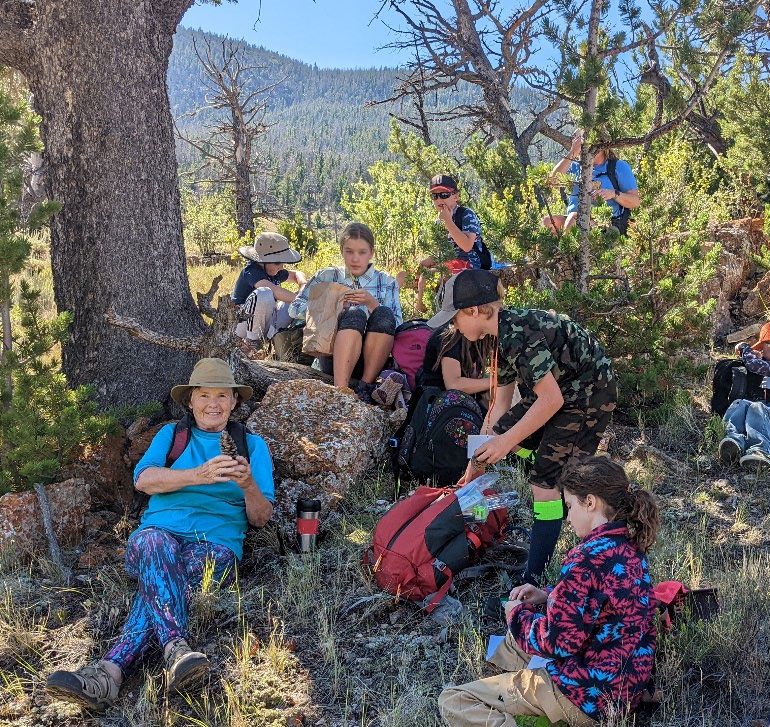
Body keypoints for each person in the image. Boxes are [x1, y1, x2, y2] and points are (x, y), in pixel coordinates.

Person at [46, 358, 275, 711]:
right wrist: (198, 475)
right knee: (154, 543)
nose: (213, 404)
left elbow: (261, 518)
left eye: (222, 396)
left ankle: (108, 673)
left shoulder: (253, 446)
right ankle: (175, 647)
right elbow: (144, 479)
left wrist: (247, 485)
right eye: (204, 395)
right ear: (191, 401)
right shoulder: (172, 436)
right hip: (158, 535)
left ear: (234, 402)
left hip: (216, 546)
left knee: (162, 584)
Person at [427, 269, 617, 585]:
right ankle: (545, 469)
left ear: (474, 311)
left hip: (587, 395)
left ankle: (535, 574)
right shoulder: (500, 337)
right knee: (509, 433)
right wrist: (475, 466)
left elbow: (551, 400)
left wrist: (505, 442)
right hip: (562, 391)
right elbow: (499, 408)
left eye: (454, 317)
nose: (452, 325)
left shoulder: (518, 334)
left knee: (544, 484)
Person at [439, 457, 659, 727]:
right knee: (512, 644)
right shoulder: (631, 547)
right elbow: (603, 594)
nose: (567, 517)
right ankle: (506, 690)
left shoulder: (584, 558)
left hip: (584, 697)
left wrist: (516, 614)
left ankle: (511, 702)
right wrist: (548, 594)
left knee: (453, 700)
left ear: (590, 502)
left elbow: (559, 642)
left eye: (569, 506)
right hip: (623, 687)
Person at [288, 222, 402, 403]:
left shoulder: (386, 281)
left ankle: (365, 387)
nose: (355, 258)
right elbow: (295, 309)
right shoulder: (327, 276)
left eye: (362, 252)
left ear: (371, 252)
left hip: (373, 358)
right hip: (331, 355)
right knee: (354, 314)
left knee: (383, 313)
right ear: (341, 251)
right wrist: (333, 307)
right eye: (349, 252)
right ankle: (341, 391)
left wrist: (372, 304)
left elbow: (397, 325)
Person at [415, 174, 492, 314]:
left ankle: (422, 308)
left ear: (455, 196)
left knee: (428, 276)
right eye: (435, 196)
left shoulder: (466, 214)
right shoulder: (438, 221)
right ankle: (424, 306)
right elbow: (443, 251)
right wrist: (427, 262)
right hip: (451, 261)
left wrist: (448, 222)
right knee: (415, 272)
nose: (439, 199)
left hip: (470, 262)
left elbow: (467, 245)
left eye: (444, 194)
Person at [542, 131, 640, 236]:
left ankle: (567, 252)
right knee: (549, 222)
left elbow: (635, 202)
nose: (585, 147)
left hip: (605, 222)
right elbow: (552, 182)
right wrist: (572, 153)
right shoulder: (574, 166)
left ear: (601, 145)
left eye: (588, 143)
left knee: (574, 218)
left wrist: (613, 194)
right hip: (574, 219)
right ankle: (555, 251)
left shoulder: (618, 167)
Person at [232, 231, 307, 349]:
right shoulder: (252, 271)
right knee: (264, 293)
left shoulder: (273, 271)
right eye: (278, 262)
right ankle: (252, 342)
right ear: (263, 260)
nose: (281, 266)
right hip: (241, 324)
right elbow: (273, 290)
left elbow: (297, 274)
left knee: (293, 301)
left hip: (264, 322)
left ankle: (277, 339)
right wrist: (303, 300)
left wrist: (303, 286)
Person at [719, 322, 770, 468]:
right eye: (767, 343)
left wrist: (745, 349)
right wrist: (754, 353)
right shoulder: (763, 363)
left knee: (757, 407)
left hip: (765, 413)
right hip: (765, 414)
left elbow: (754, 365)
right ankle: (733, 442)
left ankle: (760, 451)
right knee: (739, 404)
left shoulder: (763, 366)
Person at [419, 323, 492, 398]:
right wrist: (496, 382)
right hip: (438, 402)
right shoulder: (451, 336)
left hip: (464, 401)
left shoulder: (481, 336)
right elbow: (453, 384)